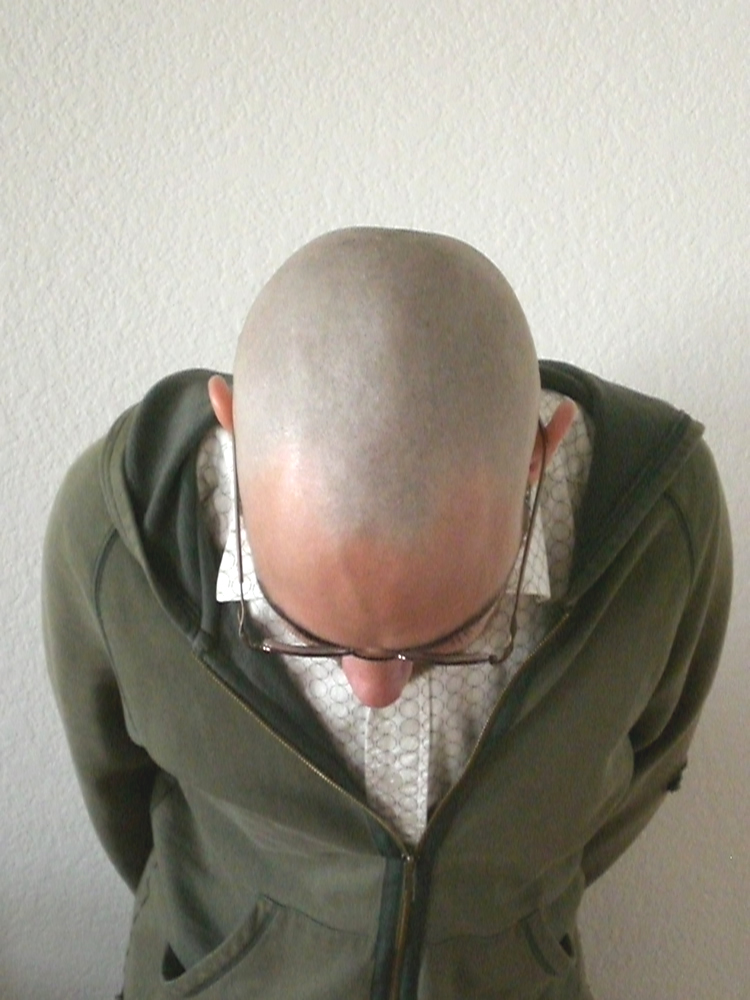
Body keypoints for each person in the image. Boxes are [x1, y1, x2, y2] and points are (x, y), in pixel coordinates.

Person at [42, 227, 732, 1000]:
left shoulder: (658, 526)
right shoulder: (122, 537)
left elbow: (647, 760)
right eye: (304, 635)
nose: (375, 689)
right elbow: (116, 784)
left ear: (539, 455)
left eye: (452, 638)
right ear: (232, 430)